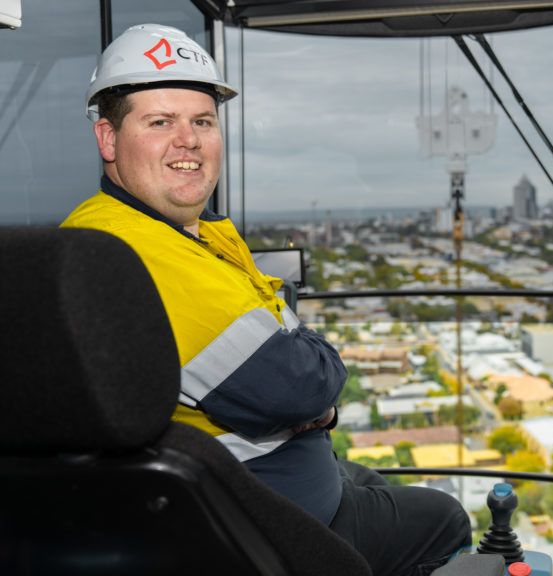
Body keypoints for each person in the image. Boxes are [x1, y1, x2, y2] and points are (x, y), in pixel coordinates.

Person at [62, 23, 471, 576]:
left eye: (202, 121)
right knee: (445, 518)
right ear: (108, 139)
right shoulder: (135, 249)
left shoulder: (183, 234)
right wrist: (319, 399)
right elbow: (297, 384)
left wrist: (307, 380)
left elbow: (289, 357)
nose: (189, 140)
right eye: (161, 122)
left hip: (258, 487)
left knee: (375, 481)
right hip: (244, 523)